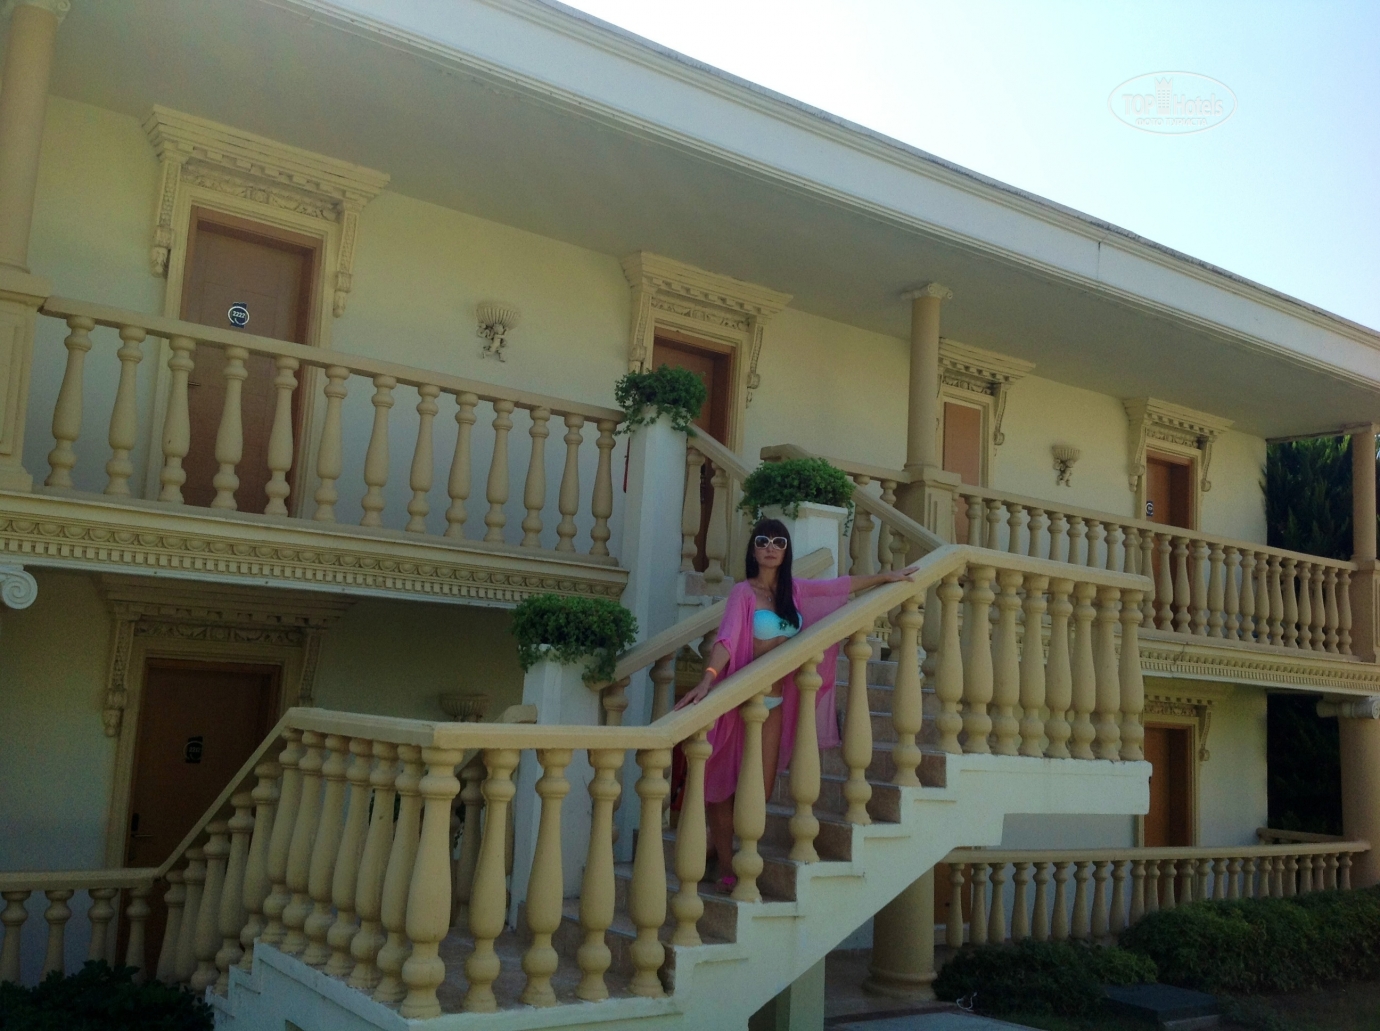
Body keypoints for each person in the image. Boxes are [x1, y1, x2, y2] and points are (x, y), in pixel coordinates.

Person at [674, 517, 915, 889]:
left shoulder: (795, 591)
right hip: (739, 700)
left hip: (774, 702)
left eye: (778, 542)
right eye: (763, 541)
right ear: (753, 550)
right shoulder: (744, 593)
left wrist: (885, 577)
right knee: (722, 786)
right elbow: (727, 640)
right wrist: (707, 678)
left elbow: (840, 586)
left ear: (786, 551)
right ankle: (727, 865)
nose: (770, 548)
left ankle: (724, 847)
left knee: (760, 788)